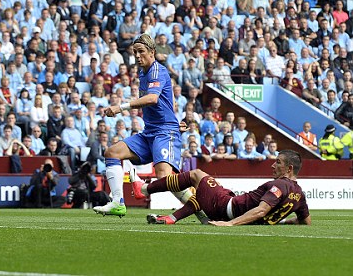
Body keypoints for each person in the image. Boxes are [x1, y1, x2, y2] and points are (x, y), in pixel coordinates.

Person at [93, 34, 206, 223]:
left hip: (165, 132)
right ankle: (117, 202)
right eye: (134, 52)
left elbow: (153, 99)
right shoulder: (143, 73)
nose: (137, 56)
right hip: (150, 132)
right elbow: (163, 102)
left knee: (165, 178)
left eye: (141, 52)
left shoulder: (157, 71)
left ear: (152, 52)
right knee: (112, 152)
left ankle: (202, 212)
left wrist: (120, 107)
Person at [131, 150, 311, 226]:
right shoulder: (299, 195)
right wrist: (280, 222)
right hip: (228, 205)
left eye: (278, 163)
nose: (273, 166)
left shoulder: (280, 184)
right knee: (204, 192)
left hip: (226, 208)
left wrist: (230, 223)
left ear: (289, 169)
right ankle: (171, 218)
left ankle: (145, 189)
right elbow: (305, 221)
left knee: (197, 175)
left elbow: (261, 211)